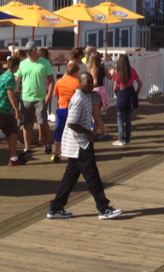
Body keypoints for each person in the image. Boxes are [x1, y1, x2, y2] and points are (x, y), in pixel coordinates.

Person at [46, 72, 122, 220]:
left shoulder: (87, 95)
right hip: (80, 144)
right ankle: (103, 208)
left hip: (79, 145)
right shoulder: (79, 98)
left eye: (91, 82)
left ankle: (55, 208)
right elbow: (71, 123)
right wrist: (89, 133)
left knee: (70, 178)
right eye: (86, 82)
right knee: (93, 177)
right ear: (79, 83)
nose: (90, 84)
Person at [16, 42, 55, 156]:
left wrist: (49, 94)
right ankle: (27, 147)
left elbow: (51, 80)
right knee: (26, 123)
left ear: (36, 50)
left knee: (42, 122)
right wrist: (14, 89)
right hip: (25, 97)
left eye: (30, 50)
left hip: (40, 97)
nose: (28, 53)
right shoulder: (23, 64)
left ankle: (47, 142)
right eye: (27, 51)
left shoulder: (45, 62)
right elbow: (17, 78)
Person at [51, 62, 81, 162]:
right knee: (73, 131)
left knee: (59, 130)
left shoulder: (60, 81)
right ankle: (72, 152)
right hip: (73, 109)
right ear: (76, 72)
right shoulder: (77, 82)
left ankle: (57, 151)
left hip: (62, 108)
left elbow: (55, 94)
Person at [87, 51, 111, 140]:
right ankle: (93, 133)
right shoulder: (102, 67)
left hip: (95, 92)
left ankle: (104, 133)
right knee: (96, 114)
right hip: (102, 91)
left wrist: (88, 85)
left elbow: (95, 82)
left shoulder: (93, 68)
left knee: (95, 115)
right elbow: (110, 77)